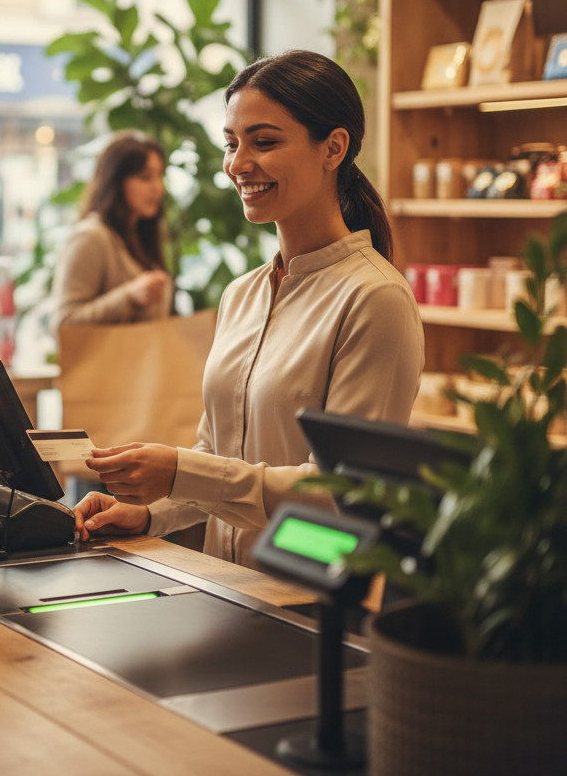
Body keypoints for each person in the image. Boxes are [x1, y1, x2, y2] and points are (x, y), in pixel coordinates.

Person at [72, 50, 425, 568]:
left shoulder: (375, 300)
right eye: (232, 144)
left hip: (304, 604)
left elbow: (342, 491)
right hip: (225, 588)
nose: (237, 165)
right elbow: (220, 457)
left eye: (264, 142)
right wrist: (147, 512)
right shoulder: (242, 294)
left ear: (334, 148)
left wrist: (178, 472)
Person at [50, 130, 174, 333]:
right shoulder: (91, 236)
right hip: (104, 365)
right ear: (115, 180)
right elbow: (63, 324)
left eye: (160, 176)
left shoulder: (140, 236)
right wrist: (128, 296)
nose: (158, 188)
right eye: (145, 177)